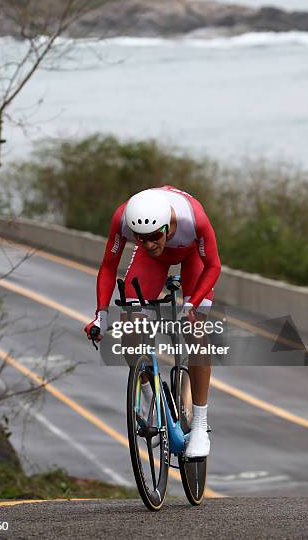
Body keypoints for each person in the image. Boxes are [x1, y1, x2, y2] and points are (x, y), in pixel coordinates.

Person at [85, 186, 221, 457]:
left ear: (168, 228)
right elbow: (109, 266)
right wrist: (100, 313)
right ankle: (150, 398)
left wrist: (191, 304)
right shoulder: (123, 217)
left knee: (195, 329)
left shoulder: (193, 219)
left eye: (153, 237)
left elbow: (213, 266)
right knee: (130, 328)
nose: (147, 243)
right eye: (140, 238)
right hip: (150, 265)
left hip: (192, 255)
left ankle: (199, 426)